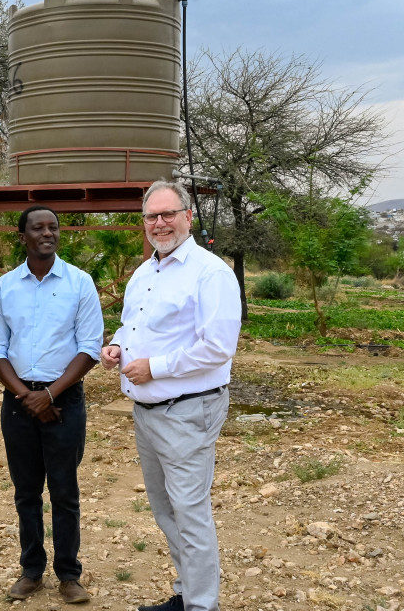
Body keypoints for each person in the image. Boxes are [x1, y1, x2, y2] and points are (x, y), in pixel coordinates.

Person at [99, 180, 242, 611]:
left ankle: (202, 606)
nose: (159, 224)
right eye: (151, 216)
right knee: (166, 511)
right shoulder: (146, 271)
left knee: (190, 512)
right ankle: (186, 595)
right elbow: (135, 327)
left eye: (168, 214)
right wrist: (118, 346)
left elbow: (218, 347)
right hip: (148, 411)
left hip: (187, 410)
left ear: (188, 216)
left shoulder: (210, 272)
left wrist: (154, 368)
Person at [0, 205, 103, 605]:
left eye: (53, 227)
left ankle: (69, 575)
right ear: (23, 237)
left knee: (65, 491)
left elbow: (89, 348)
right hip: (18, 400)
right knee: (26, 492)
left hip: (64, 400)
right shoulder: (5, 287)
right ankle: (31, 570)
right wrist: (28, 397)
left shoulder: (80, 283)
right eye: (38, 227)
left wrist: (50, 395)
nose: (47, 233)